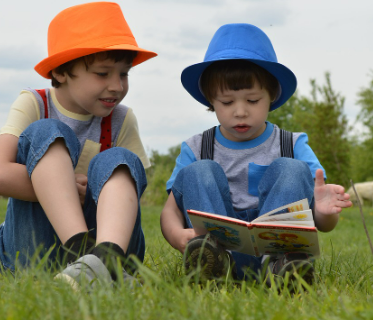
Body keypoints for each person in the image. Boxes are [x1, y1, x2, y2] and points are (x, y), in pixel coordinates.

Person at [160, 23, 352, 286]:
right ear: (210, 100)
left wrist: (325, 212)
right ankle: (213, 266)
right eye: (227, 102)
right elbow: (170, 210)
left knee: (292, 169)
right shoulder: (196, 147)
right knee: (198, 171)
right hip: (219, 248)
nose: (240, 112)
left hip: (277, 249)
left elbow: (323, 223)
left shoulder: (292, 144)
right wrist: (176, 235)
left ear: (271, 95)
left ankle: (282, 268)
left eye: (252, 101)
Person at [0, 2, 157, 289]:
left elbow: (133, 186)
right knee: (47, 131)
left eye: (124, 74)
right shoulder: (34, 103)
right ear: (61, 72)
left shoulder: (122, 119)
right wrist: (63, 186)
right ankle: (82, 253)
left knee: (120, 159)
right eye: (102, 73)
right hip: (37, 248)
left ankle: (106, 259)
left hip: (111, 241)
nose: (117, 86)